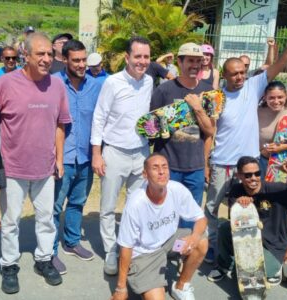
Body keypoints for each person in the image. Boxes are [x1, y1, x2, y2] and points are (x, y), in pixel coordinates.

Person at [205, 20, 287, 268]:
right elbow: (209, 132)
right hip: (221, 163)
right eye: (234, 73)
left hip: (248, 165)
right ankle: (213, 249)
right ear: (224, 75)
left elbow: (282, 62)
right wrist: (205, 162)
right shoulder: (217, 98)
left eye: (242, 72)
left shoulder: (254, 84)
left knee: (245, 209)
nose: (240, 76)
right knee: (212, 209)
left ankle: (242, 251)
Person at [0, 32, 72, 294]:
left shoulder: (58, 85)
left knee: (46, 218)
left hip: (45, 167)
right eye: (40, 53)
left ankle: (43, 259)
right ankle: (9, 265)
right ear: (25, 55)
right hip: (13, 167)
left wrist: (59, 158)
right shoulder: (5, 84)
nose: (47, 58)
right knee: (10, 220)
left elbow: (61, 124)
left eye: (50, 53)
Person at [91, 36, 153, 276]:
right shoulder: (113, 83)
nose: (142, 61)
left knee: (135, 206)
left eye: (146, 57)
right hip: (114, 152)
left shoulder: (149, 82)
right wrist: (97, 154)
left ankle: (131, 249)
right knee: (107, 207)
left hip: (140, 153)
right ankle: (110, 252)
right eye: (137, 56)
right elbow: (99, 117)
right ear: (127, 57)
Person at [111, 153, 208, 300]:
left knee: (201, 241)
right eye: (155, 168)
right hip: (145, 254)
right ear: (145, 174)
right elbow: (126, 246)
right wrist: (121, 288)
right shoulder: (135, 203)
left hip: (169, 243)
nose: (161, 171)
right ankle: (145, 278)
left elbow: (201, 218)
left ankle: (180, 286)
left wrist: (194, 237)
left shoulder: (177, 189)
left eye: (164, 167)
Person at [208, 156, 287, 284]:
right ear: (239, 176)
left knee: (261, 273)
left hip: (272, 245)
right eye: (248, 175)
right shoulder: (236, 190)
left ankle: (274, 268)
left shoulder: (277, 190)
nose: (253, 178)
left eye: (257, 173)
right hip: (248, 238)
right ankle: (225, 265)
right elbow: (234, 221)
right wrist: (240, 207)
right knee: (225, 228)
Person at [150, 42, 215, 229]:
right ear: (179, 62)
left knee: (189, 215)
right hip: (168, 166)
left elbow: (210, 131)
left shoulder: (208, 91)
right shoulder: (164, 90)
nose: (195, 65)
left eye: (199, 61)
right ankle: (162, 250)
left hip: (195, 167)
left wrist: (197, 108)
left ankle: (183, 251)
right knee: (164, 213)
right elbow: (152, 129)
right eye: (190, 60)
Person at [51, 40, 103, 274]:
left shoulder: (96, 86)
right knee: (53, 207)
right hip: (60, 158)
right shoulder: (52, 84)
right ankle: (49, 252)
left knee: (77, 203)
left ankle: (72, 242)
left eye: (84, 59)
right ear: (64, 59)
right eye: (76, 60)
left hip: (85, 158)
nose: (82, 64)